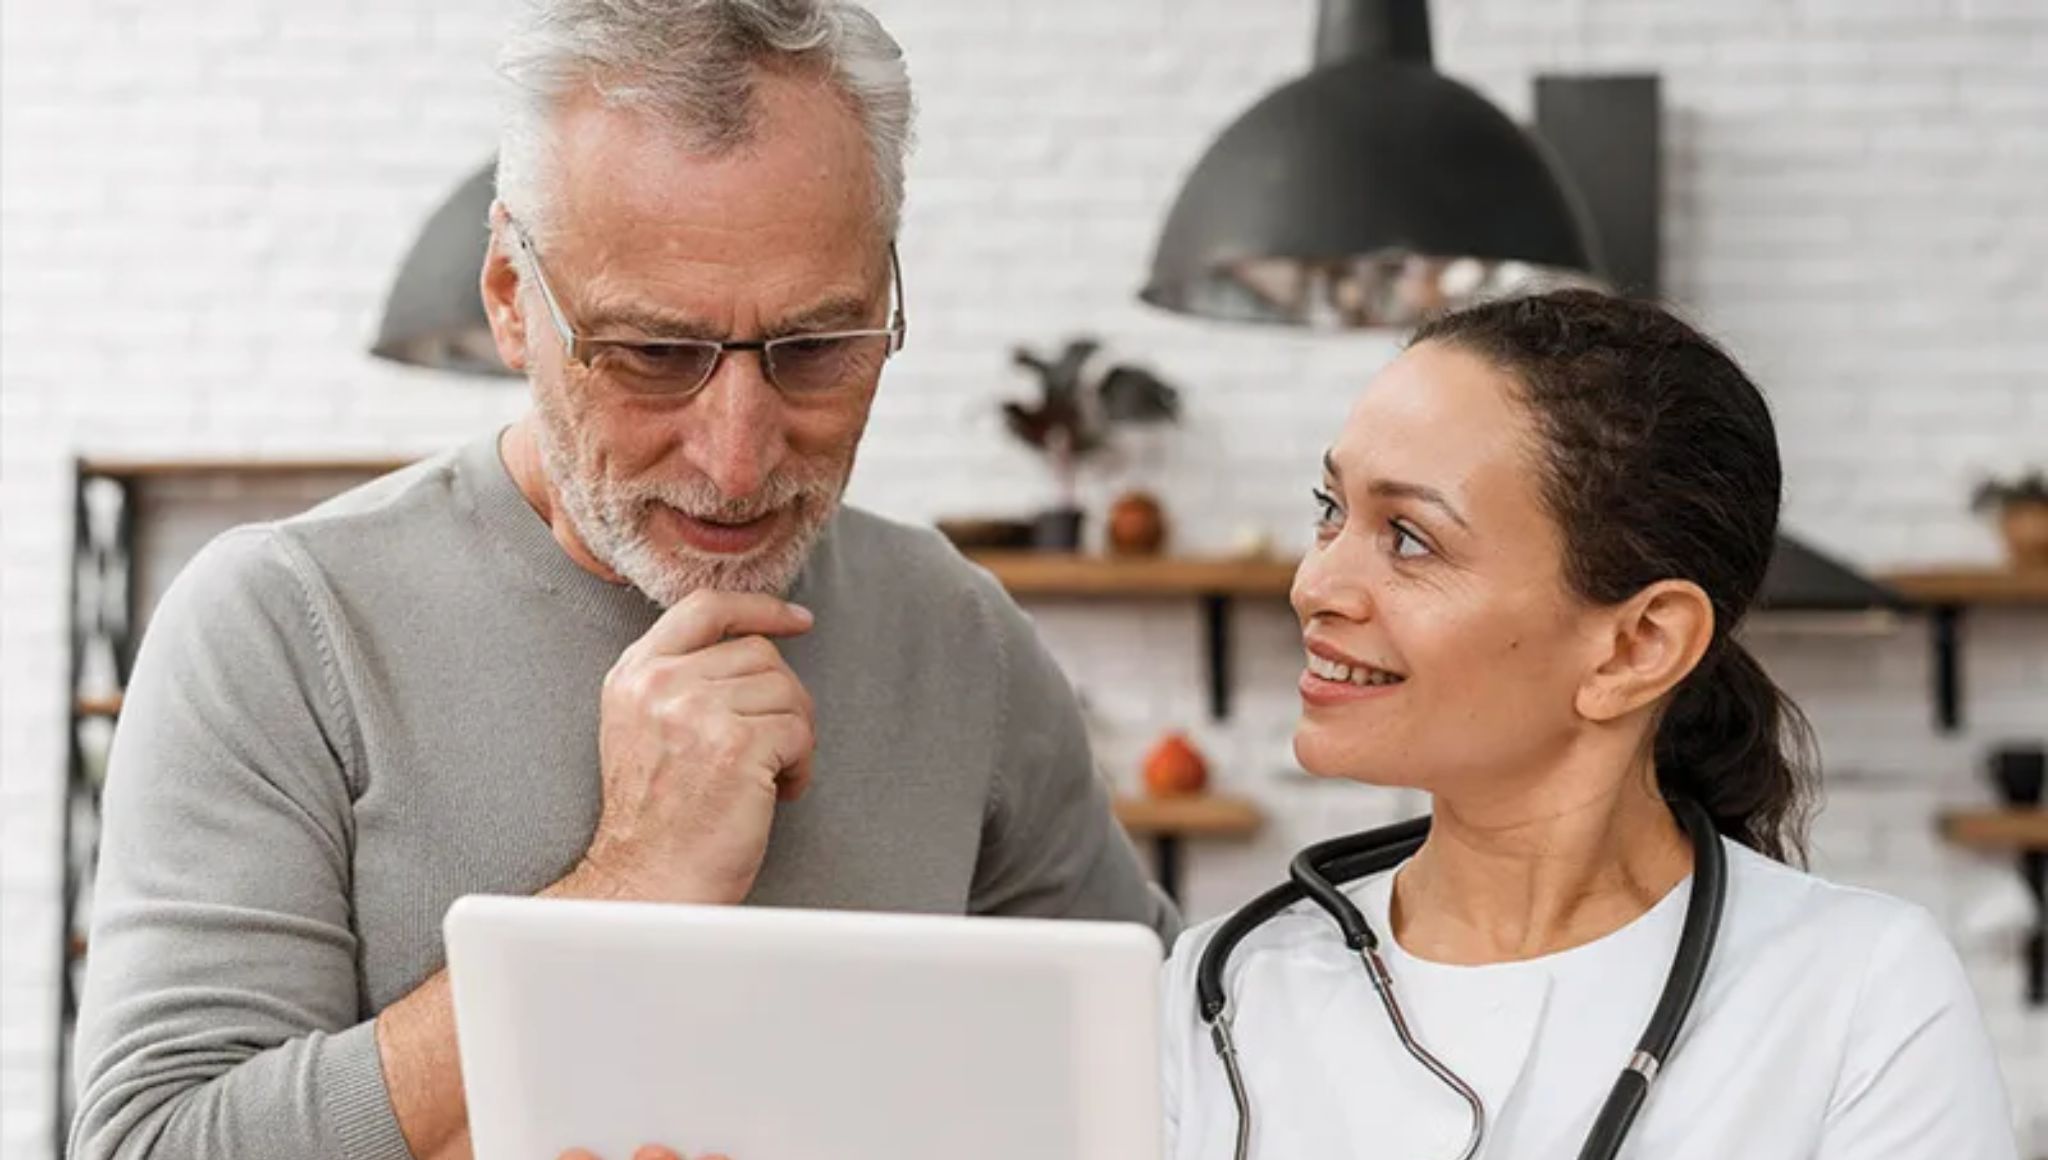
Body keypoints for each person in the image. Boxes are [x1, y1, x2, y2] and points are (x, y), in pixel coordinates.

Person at [68, 3, 1175, 1158]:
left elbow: (1167, 1069)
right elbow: (154, 1142)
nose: (737, 458)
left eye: (814, 349)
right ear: (510, 295)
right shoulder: (283, 627)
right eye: (652, 354)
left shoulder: (954, 632)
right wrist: (626, 884)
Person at [1159, 290, 2017, 1158]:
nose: (1314, 585)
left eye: (1410, 538)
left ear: (1636, 646)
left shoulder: (1862, 994)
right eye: (1331, 507)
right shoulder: (1222, 986)